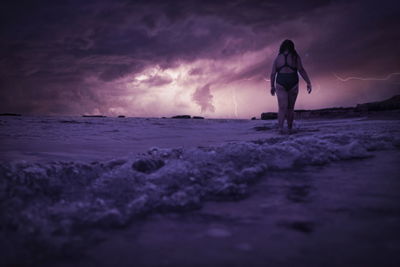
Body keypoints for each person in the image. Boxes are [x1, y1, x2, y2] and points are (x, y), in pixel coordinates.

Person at [269, 39, 312, 134]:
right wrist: (308, 82)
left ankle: (280, 129)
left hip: (281, 82)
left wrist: (272, 86)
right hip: (293, 82)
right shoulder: (295, 57)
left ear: (282, 47)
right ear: (292, 47)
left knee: (282, 107)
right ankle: (289, 129)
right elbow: (301, 70)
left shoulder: (277, 58)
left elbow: (272, 74)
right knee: (290, 108)